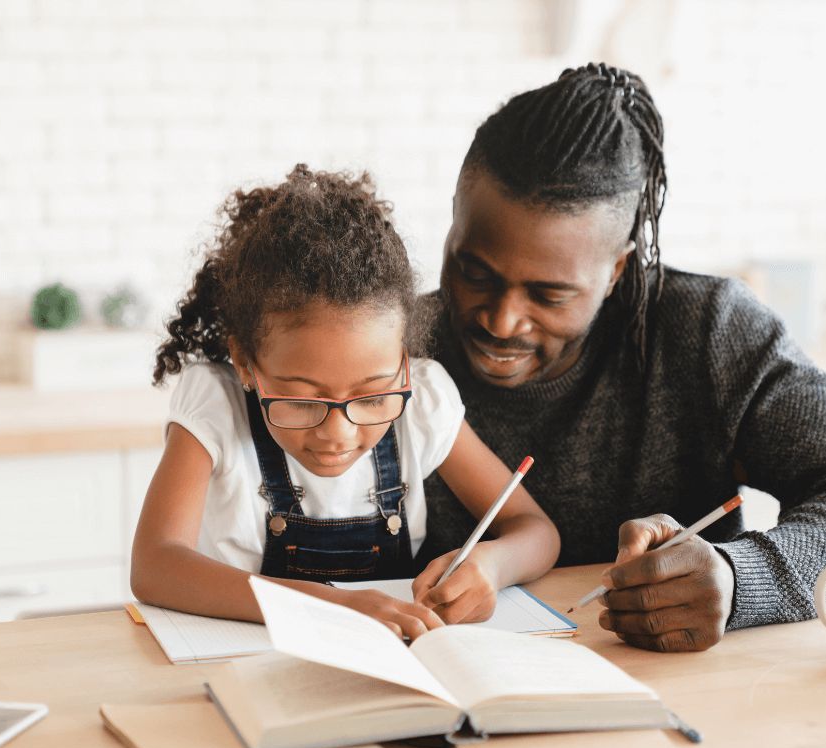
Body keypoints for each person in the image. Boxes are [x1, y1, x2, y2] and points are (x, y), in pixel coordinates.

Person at [418, 63, 826, 652]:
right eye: (473, 271)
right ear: (453, 222)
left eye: (548, 294)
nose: (501, 320)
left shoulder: (707, 332)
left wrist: (740, 577)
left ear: (616, 271)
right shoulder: (392, 348)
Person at [131, 164, 560, 639]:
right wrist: (334, 606)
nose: (337, 434)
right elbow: (155, 565)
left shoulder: (422, 402)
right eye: (301, 399)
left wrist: (492, 566)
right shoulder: (216, 406)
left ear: (403, 362)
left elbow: (536, 530)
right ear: (246, 362)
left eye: (373, 395)